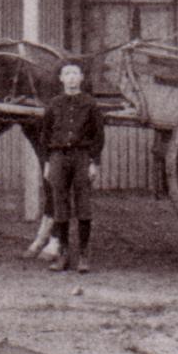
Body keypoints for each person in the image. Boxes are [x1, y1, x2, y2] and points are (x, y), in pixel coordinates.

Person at [39, 61, 105, 274]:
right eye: (67, 74)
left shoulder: (90, 104)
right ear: (61, 78)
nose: (71, 78)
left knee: (83, 206)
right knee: (60, 205)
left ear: (81, 78)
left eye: (75, 73)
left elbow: (98, 136)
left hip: (81, 157)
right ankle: (64, 255)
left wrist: (94, 162)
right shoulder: (54, 104)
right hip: (58, 157)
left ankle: (84, 256)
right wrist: (48, 163)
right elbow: (45, 135)